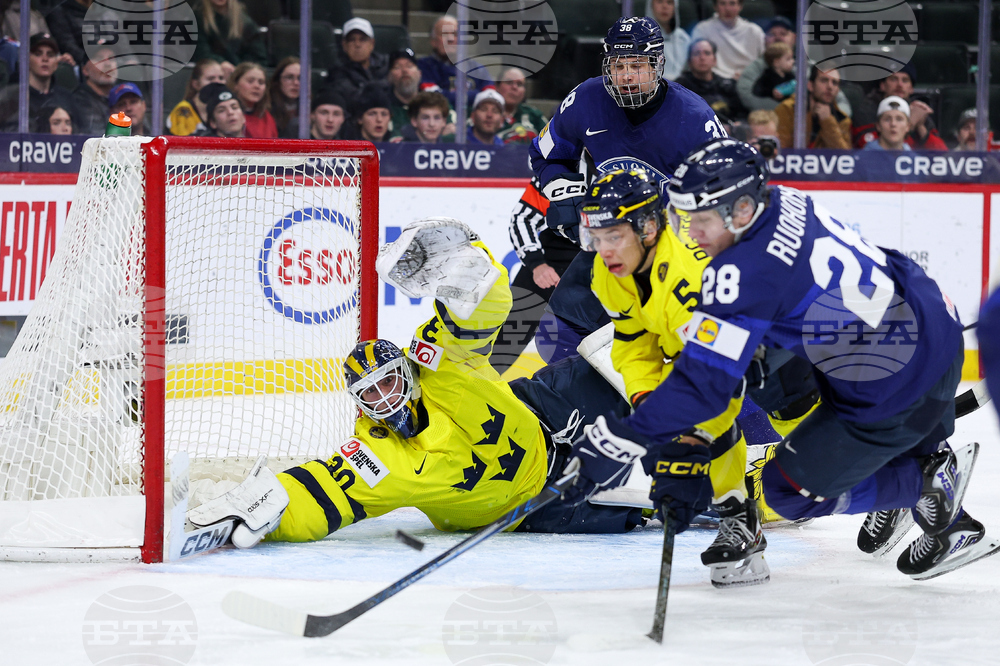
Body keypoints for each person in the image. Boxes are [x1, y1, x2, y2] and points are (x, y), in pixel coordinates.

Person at [563, 138, 997, 581]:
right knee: (783, 375)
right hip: (927, 316)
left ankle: (919, 489)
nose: (692, 233)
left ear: (743, 210)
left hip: (897, 379)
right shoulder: (784, 198)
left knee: (787, 491)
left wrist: (631, 438)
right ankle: (949, 521)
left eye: (703, 221)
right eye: (686, 218)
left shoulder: (734, 274)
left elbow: (706, 386)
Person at [185, 219, 643, 548]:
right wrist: (278, 505)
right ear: (359, 404)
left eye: (389, 383)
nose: (385, 399)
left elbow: (478, 314)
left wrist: (470, 272)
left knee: (620, 359)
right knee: (639, 505)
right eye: (371, 395)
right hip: (530, 505)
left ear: (406, 371)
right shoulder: (379, 456)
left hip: (546, 409)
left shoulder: (436, 363)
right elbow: (327, 490)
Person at [578, 168, 767, 587]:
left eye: (614, 235)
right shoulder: (607, 273)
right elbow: (634, 344)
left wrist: (688, 443)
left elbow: (720, 379)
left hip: (783, 336)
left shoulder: (687, 278)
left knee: (811, 434)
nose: (603, 249)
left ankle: (900, 473)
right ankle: (739, 515)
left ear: (647, 228)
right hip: (712, 347)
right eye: (597, 235)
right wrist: (648, 406)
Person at [528, 16, 726, 365]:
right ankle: (584, 409)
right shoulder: (586, 99)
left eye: (637, 65)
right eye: (618, 65)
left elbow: (723, 196)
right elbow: (547, 154)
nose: (627, 75)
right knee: (555, 336)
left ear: (658, 65)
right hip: (609, 239)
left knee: (683, 354)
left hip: (671, 252)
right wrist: (564, 192)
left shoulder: (695, 119)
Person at [851, 65, 946, 151]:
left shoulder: (917, 110)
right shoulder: (866, 110)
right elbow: (868, 147)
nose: (900, 85)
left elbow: (941, 156)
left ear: (911, 88)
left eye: (905, 80)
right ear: (882, 85)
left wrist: (921, 127)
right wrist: (911, 124)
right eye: (894, 79)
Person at [0, 33, 73, 132]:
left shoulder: (66, 98)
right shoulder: (10, 96)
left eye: (50, 55)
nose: (45, 59)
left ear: (56, 63)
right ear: (26, 59)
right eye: (38, 54)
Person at [417, 15, 493, 108]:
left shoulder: (478, 69)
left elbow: (491, 98)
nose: (451, 38)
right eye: (444, 34)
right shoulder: (424, 67)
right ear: (433, 41)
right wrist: (476, 95)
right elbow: (433, 99)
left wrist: (446, 94)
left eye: (455, 34)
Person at [775, 66, 851, 149]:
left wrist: (827, 122)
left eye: (835, 83)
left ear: (837, 90)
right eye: (824, 80)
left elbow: (844, 157)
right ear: (810, 86)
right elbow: (780, 151)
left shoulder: (842, 119)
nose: (830, 86)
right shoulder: (788, 109)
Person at [674, 39, 746, 126]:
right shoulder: (679, 88)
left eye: (707, 53)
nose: (702, 58)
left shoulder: (727, 85)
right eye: (697, 53)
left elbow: (742, 115)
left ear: (714, 60)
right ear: (689, 61)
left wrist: (739, 125)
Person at [690, 0, 764, 80]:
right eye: (722, 3)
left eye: (732, 3)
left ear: (740, 6)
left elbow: (763, 61)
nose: (727, 9)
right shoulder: (702, 29)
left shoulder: (754, 31)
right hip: (714, 81)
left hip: (749, 80)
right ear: (715, 7)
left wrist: (748, 75)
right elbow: (694, 62)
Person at [193, 0, 267, 77]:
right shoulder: (197, 19)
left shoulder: (246, 22)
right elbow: (201, 52)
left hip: (240, 76)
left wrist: (241, 70)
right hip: (210, 73)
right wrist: (221, 63)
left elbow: (258, 57)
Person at [327, 18, 389, 102]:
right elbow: (352, 97)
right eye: (352, 40)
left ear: (372, 44)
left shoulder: (386, 64)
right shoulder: (337, 71)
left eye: (362, 39)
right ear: (344, 45)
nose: (357, 44)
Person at [167, 59, 226, 136]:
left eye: (221, 78)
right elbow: (183, 145)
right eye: (211, 79)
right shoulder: (183, 109)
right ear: (196, 84)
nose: (218, 82)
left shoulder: (226, 107)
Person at [71, 45, 118, 135]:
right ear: (85, 70)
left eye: (111, 58)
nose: (108, 64)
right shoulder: (79, 101)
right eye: (100, 59)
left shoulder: (124, 98)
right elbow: (96, 140)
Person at [496, 67, 547, 145]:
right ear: (497, 86)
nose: (514, 87)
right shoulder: (486, 115)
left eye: (519, 84)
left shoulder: (534, 115)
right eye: (509, 82)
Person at [230, 61, 277, 139]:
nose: (257, 86)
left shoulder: (267, 117)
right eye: (250, 81)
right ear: (235, 85)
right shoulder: (229, 116)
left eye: (261, 82)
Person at [646, 0, 690, 81]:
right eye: (660, 2)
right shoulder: (642, 38)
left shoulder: (683, 38)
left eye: (669, 2)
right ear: (651, 6)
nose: (665, 7)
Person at [386, 48, 423, 135]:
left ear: (419, 73)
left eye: (409, 66)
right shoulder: (383, 108)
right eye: (397, 67)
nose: (405, 71)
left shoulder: (433, 104)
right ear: (389, 76)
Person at [270, 57, 300, 139]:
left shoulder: (311, 110)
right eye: (289, 77)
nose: (296, 83)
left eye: (300, 78)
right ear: (278, 80)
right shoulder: (266, 109)